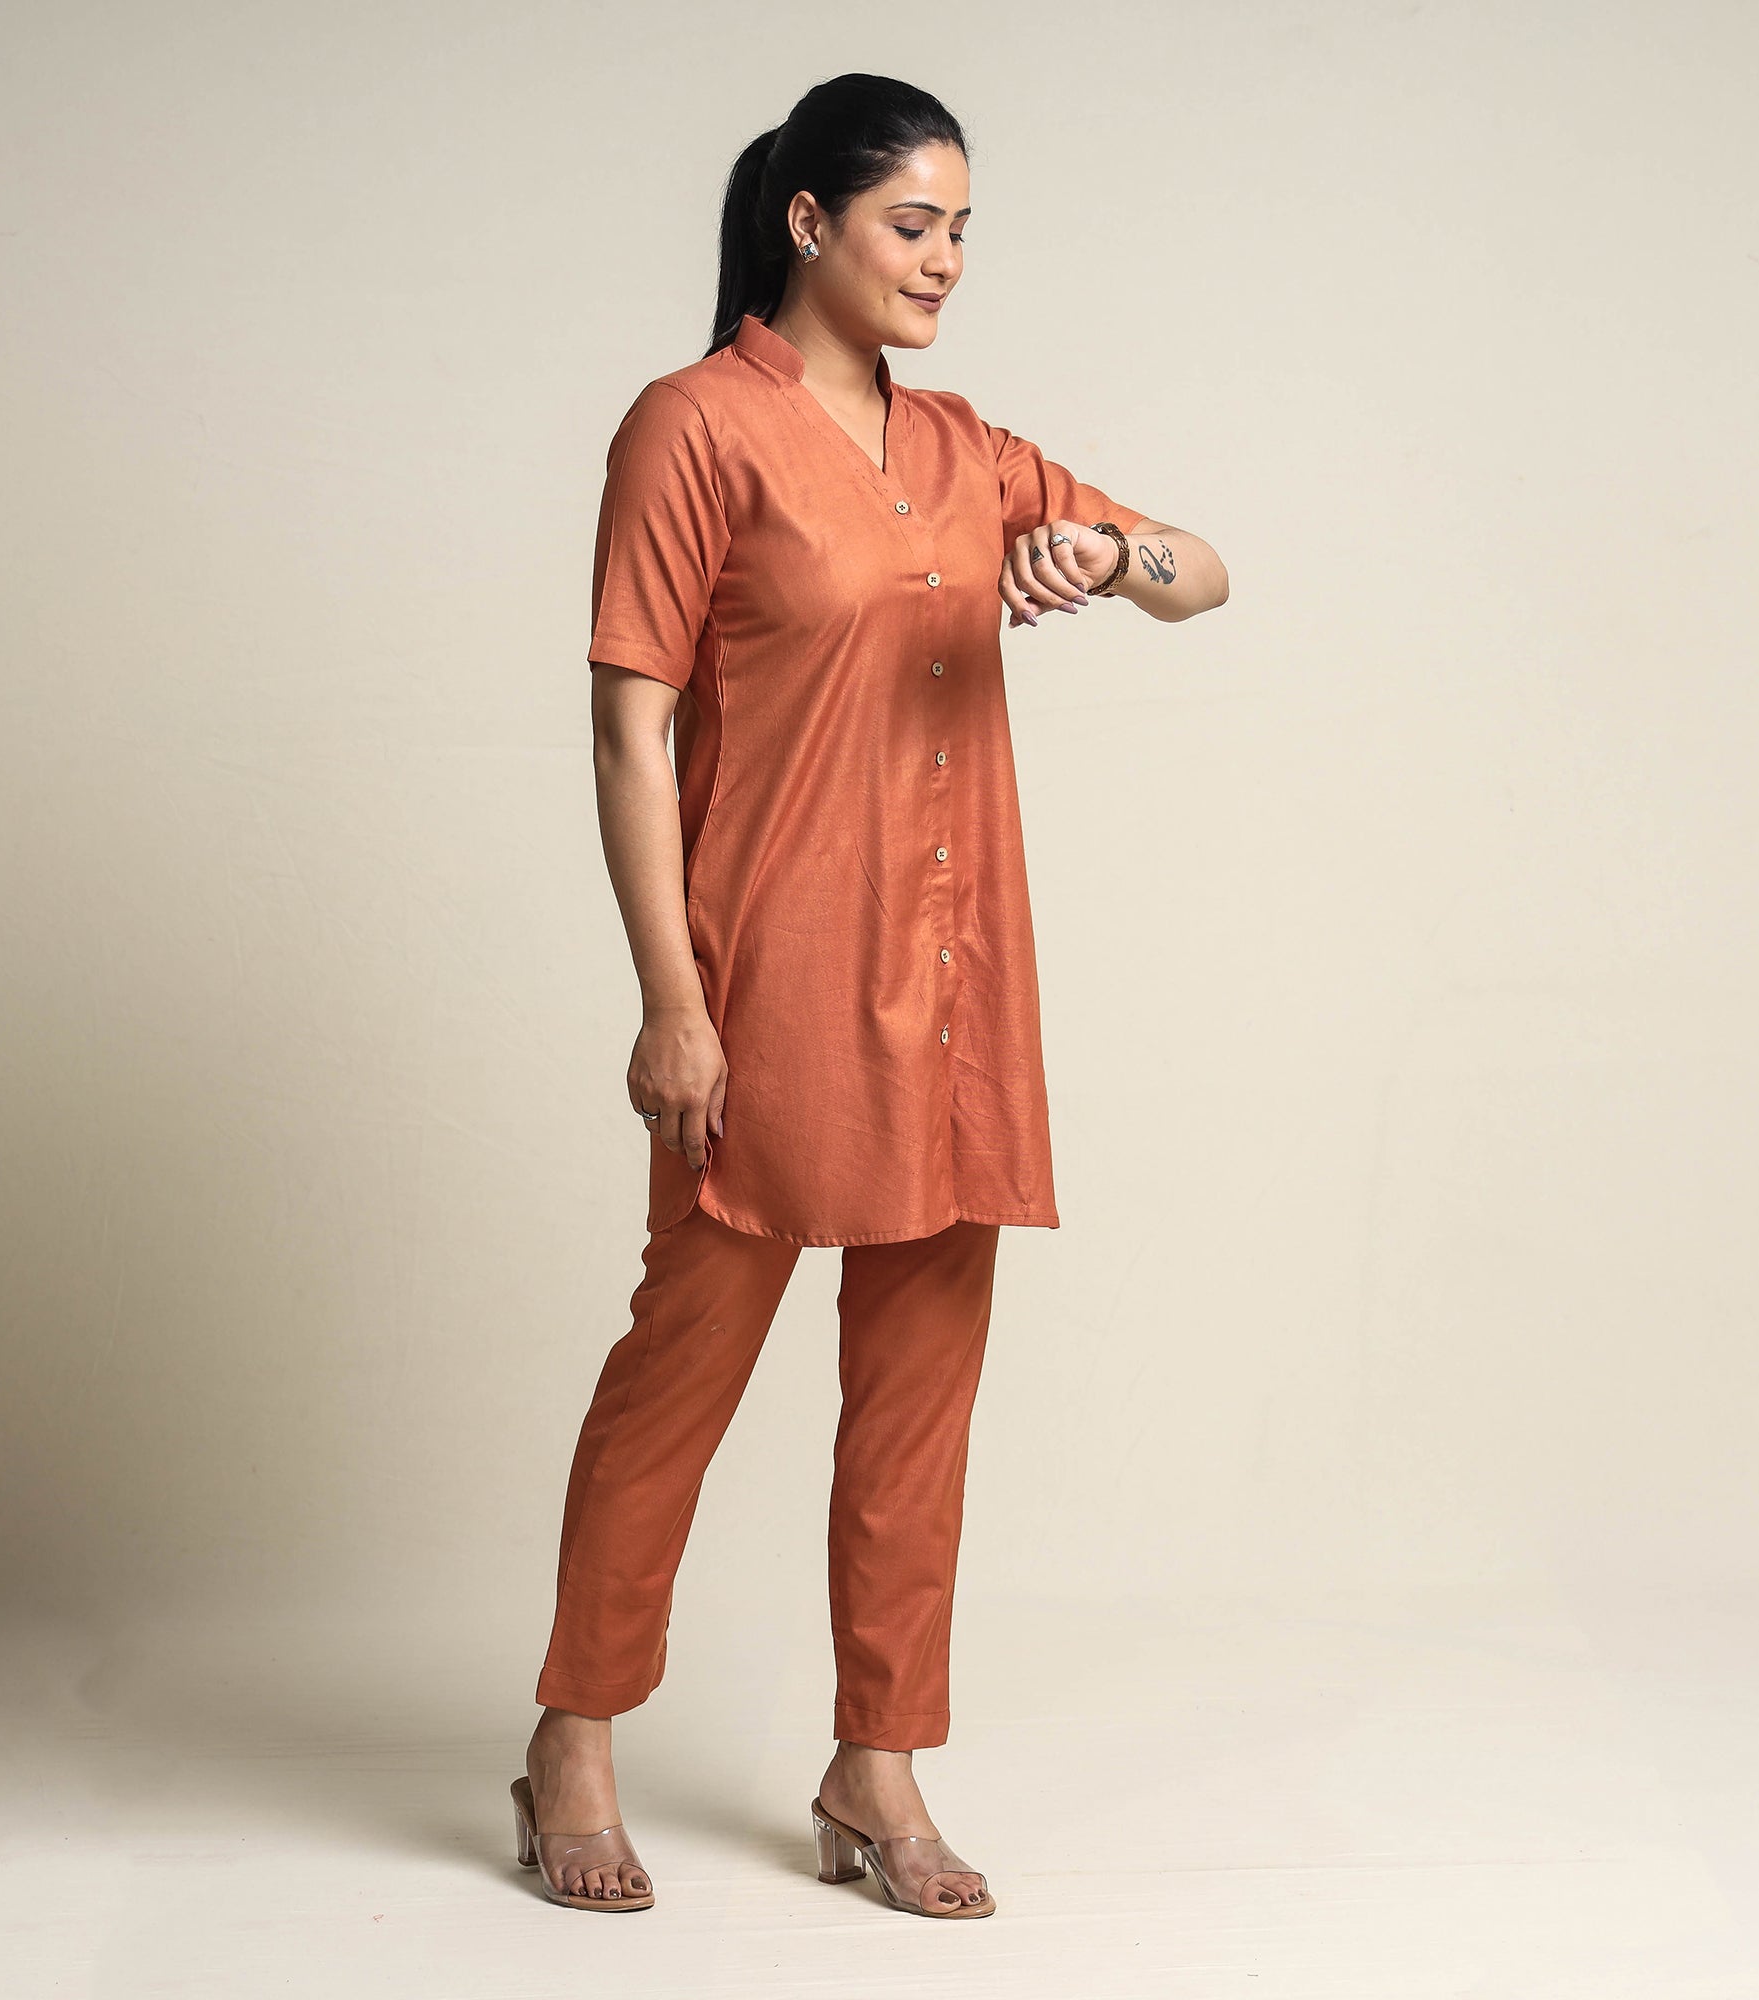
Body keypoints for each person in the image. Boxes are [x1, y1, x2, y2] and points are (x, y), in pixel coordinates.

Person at [512, 71, 1229, 1921]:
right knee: (681, 1369)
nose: (946, 261)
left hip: (958, 985)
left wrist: (1106, 557)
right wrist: (672, 1003)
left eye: (965, 230)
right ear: (809, 220)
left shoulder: (971, 450)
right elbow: (628, 728)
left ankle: (877, 1764)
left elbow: (1204, 578)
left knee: (920, 1395)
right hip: (770, 981)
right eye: (915, 224)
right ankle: (574, 1736)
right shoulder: (693, 428)